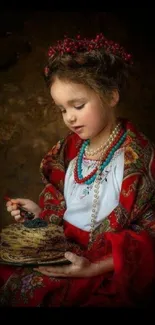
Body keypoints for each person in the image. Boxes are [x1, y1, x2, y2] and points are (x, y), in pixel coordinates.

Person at [0, 33, 155, 307]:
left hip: (106, 266)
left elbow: (149, 234)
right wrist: (40, 215)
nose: (70, 117)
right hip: (64, 251)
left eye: (78, 105)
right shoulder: (68, 153)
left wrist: (94, 268)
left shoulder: (137, 159)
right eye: (61, 109)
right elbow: (67, 211)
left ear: (111, 96)